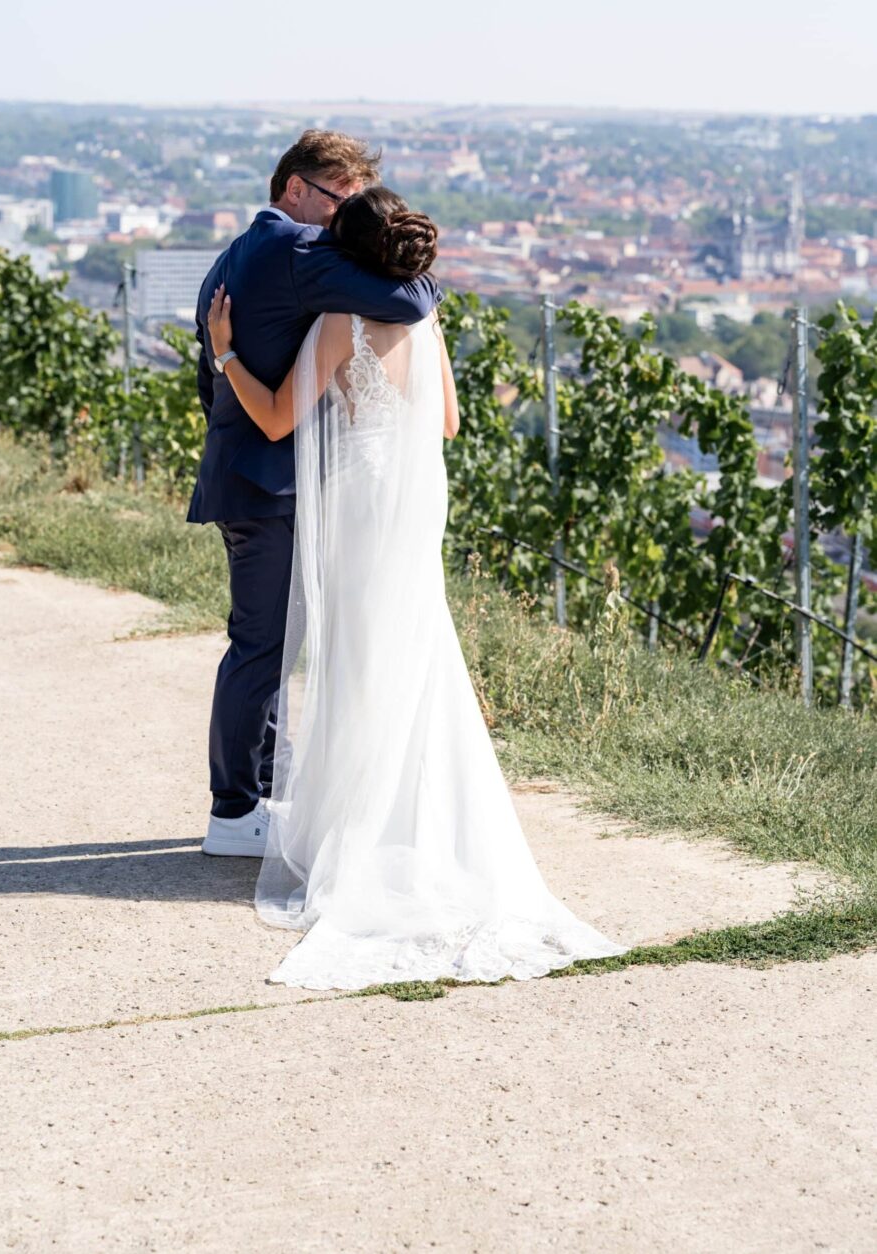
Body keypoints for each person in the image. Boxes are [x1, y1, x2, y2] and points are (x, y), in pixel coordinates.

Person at [205, 184, 630, 990]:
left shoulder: (337, 324)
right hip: (412, 503)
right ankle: (421, 825)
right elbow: (449, 424)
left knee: (361, 661)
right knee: (415, 652)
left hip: (363, 504)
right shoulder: (423, 319)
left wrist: (226, 349)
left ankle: (364, 833)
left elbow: (271, 420)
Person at [187, 132, 441, 857]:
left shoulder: (238, 249)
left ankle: (260, 794)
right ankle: (234, 812)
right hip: (270, 485)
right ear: (295, 188)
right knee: (261, 647)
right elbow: (414, 297)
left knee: (267, 644)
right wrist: (408, 258)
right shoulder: (300, 250)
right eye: (339, 199)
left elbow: (210, 371)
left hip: (245, 473)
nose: (342, 220)